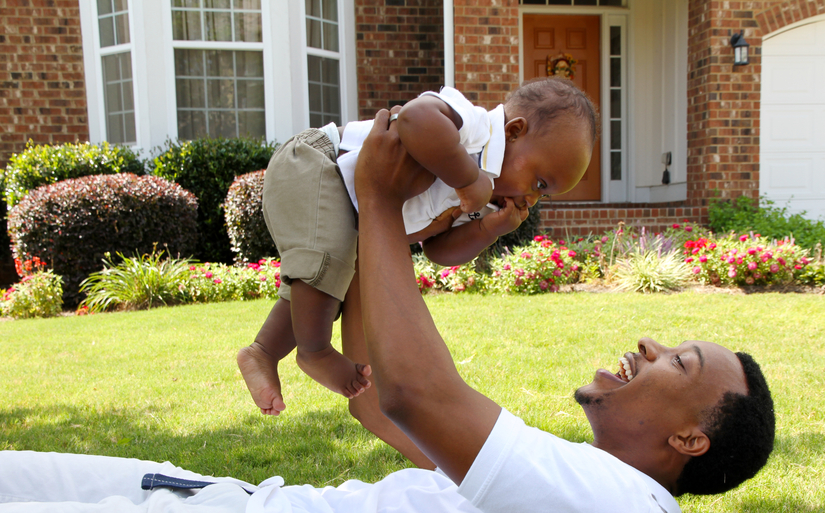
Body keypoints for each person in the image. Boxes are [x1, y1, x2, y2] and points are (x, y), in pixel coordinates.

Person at [0, 110, 776, 513]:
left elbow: (417, 394)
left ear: (690, 439)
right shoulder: (576, 482)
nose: (651, 343)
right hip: (228, 511)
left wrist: (375, 202)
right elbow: (376, 396)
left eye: (679, 361)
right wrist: (390, 227)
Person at [237, 77, 596, 437]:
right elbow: (415, 118)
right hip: (319, 164)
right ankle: (314, 352)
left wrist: (489, 229)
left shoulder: (485, 200)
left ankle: (263, 352)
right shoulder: (475, 128)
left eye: (544, 196)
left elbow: (437, 250)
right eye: (540, 183)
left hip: (348, 209)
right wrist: (468, 177)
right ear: (514, 131)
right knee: (323, 267)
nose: (532, 200)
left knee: (326, 277)